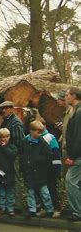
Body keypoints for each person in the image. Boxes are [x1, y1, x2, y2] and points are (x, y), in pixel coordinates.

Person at [19, 120, 54, 219]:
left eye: (41, 132)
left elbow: (49, 155)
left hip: (40, 172)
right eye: (38, 132)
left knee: (45, 192)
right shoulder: (25, 141)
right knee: (30, 192)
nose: (40, 134)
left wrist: (39, 160)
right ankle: (32, 210)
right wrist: (23, 163)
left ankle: (49, 209)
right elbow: (21, 153)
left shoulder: (42, 142)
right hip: (29, 171)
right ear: (31, 131)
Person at [0, 100, 25, 212]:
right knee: (8, 179)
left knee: (15, 179)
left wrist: (13, 154)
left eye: (6, 108)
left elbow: (19, 142)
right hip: (7, 156)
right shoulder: (6, 121)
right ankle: (10, 204)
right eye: (2, 109)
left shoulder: (15, 123)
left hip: (14, 156)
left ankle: (17, 205)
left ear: (11, 109)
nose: (3, 111)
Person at [36, 120, 62, 218]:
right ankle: (46, 208)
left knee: (51, 188)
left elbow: (56, 153)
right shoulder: (35, 138)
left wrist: (57, 168)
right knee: (42, 189)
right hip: (41, 167)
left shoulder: (50, 137)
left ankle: (56, 208)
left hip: (50, 167)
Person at [0, 128, 17, 217]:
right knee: (1, 193)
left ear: (9, 137)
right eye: (2, 137)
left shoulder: (12, 147)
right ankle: (2, 208)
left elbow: (12, 156)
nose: (4, 139)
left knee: (10, 193)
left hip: (9, 173)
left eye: (6, 137)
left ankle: (10, 208)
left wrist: (4, 147)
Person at [64, 87, 81, 222]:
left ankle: (78, 212)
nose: (65, 97)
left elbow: (78, 137)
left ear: (74, 96)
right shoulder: (73, 110)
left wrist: (72, 156)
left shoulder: (79, 111)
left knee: (70, 181)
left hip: (78, 155)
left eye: (67, 95)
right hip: (76, 154)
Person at [54, 91, 73, 177]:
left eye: (58, 99)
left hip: (70, 150)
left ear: (63, 99)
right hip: (66, 148)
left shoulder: (72, 112)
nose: (57, 102)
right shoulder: (65, 112)